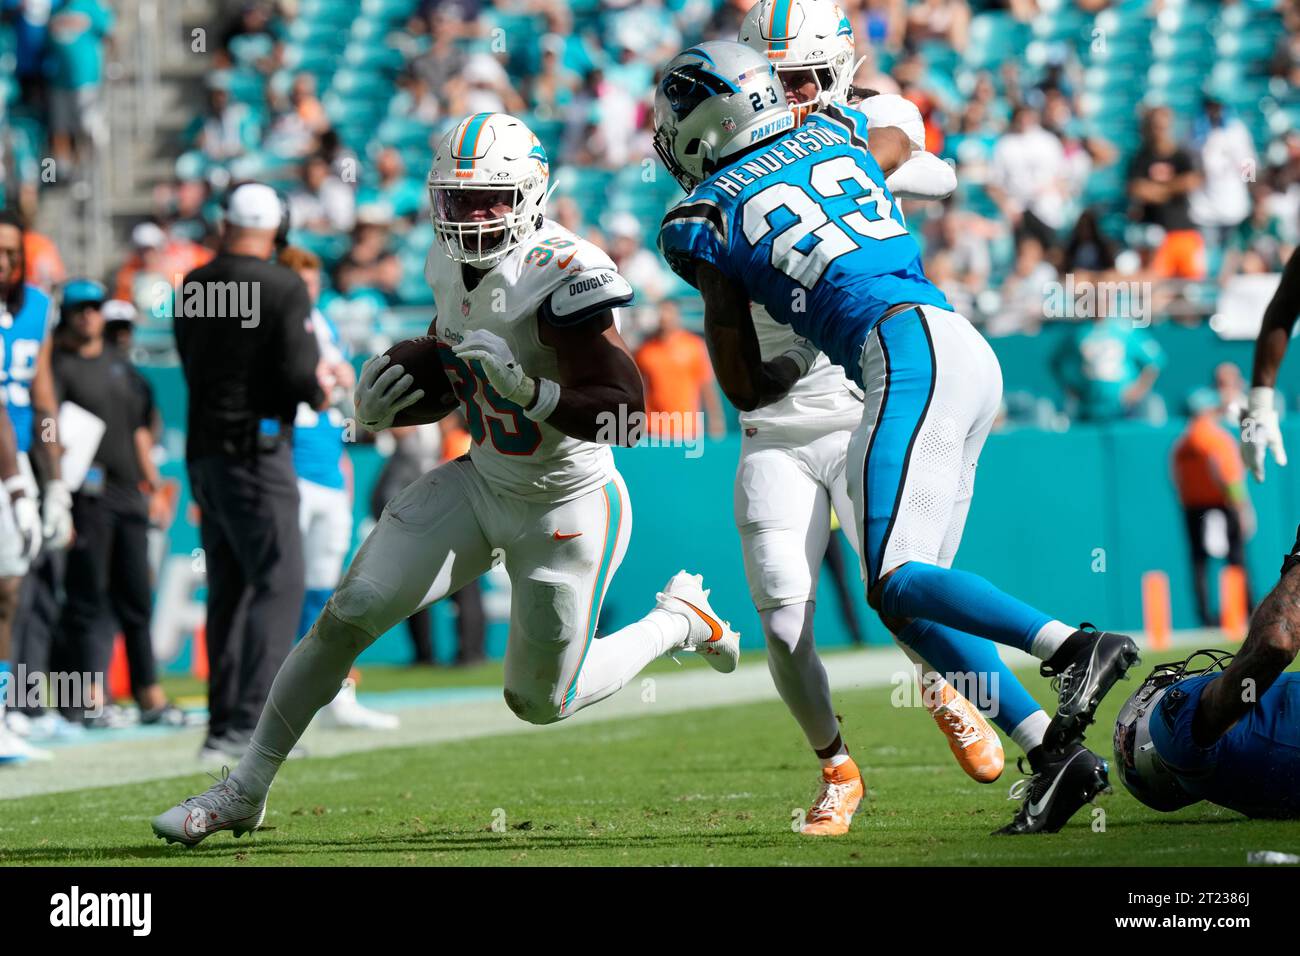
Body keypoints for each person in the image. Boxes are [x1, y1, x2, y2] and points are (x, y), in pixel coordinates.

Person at [152, 113, 740, 846]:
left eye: (492, 198)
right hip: (481, 478)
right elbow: (455, 367)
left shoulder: (562, 271)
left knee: (538, 701)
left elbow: (625, 413)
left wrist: (531, 393)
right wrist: (383, 407)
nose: (474, 215)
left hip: (568, 502)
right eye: (460, 200)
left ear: (529, 195)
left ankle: (678, 619)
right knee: (348, 612)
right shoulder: (441, 261)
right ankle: (244, 789)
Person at [655, 41, 1141, 835]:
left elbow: (740, 382)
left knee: (895, 578)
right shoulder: (839, 131)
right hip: (957, 343)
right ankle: (1059, 761)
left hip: (901, 355)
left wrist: (784, 366)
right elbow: (898, 150)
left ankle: (1071, 645)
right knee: (912, 605)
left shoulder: (700, 216)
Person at [731, 0, 1002, 837]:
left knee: (905, 586)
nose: (789, 94)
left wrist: (857, 166)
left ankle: (943, 685)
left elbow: (939, 172)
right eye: (773, 79)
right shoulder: (727, 148)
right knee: (781, 618)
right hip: (776, 426)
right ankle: (836, 767)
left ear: (840, 70)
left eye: (804, 78)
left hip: (862, 404)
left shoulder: (872, 117)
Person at [173, 182, 328, 762]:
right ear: (278, 225)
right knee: (280, 580)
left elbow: (192, 363)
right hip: (257, 450)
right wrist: (319, 387)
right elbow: (298, 376)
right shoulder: (282, 283)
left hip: (206, 452)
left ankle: (222, 725)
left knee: (231, 586)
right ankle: (250, 724)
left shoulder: (194, 283)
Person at [49, 279, 182, 727]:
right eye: (80, 308)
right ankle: (88, 699)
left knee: (137, 600)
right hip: (86, 497)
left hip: (129, 496)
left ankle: (150, 696)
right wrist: (57, 489)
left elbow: (140, 433)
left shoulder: (123, 369)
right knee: (87, 600)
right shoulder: (57, 366)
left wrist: (155, 487)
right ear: (66, 314)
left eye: (94, 307)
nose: (88, 315)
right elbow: (49, 432)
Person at [280, 245, 396, 731]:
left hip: (329, 468)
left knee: (326, 589)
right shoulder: (276, 326)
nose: (308, 291)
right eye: (299, 282)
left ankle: (331, 692)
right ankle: (281, 692)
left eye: (312, 282)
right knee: (285, 586)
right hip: (292, 467)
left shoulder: (324, 325)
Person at [0, 210, 71, 757]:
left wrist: (55, 483)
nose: (3, 263)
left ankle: (6, 707)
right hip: (7, 468)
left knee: (12, 588)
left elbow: (42, 400)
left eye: (10, 254)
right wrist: (21, 488)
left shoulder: (36, 308)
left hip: (18, 457)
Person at [1172, 391, 1254, 627]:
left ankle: (1206, 615)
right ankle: (1244, 610)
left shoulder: (1182, 443)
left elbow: (1177, 479)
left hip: (1193, 508)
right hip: (1220, 505)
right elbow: (1229, 477)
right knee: (1236, 558)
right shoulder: (1215, 438)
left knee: (1199, 561)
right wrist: (1243, 508)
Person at [632, 300, 725, 440]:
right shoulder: (645, 350)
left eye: (669, 312)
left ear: (677, 316)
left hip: (686, 429)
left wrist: (716, 420)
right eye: (661, 312)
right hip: (653, 428)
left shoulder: (693, 346)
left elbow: (706, 386)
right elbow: (635, 389)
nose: (665, 317)